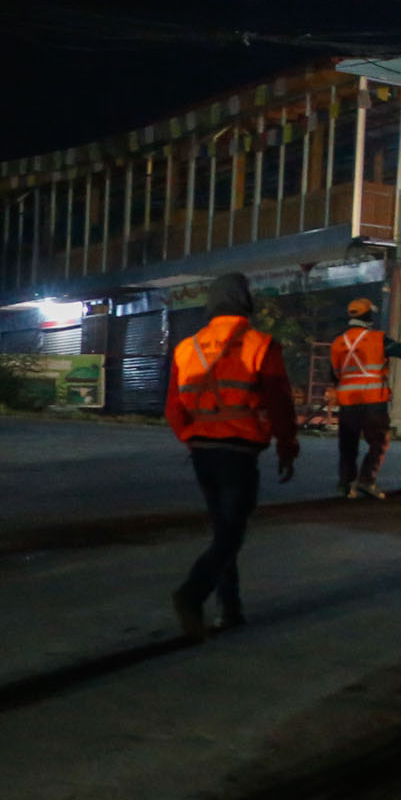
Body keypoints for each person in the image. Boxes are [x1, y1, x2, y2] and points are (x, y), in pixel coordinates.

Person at [164, 271, 298, 641]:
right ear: (246, 302)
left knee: (224, 530)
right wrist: (287, 447)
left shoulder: (186, 348)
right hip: (239, 452)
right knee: (231, 532)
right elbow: (280, 403)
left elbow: (174, 409)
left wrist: (191, 438)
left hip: (203, 453)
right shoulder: (260, 344)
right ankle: (192, 594)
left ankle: (231, 608)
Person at [328, 296, 401, 499]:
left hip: (348, 402)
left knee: (348, 445)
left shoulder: (338, 342)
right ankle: (366, 481)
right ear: (369, 316)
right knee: (379, 441)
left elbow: (334, 374)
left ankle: (346, 485)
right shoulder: (377, 339)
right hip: (373, 401)